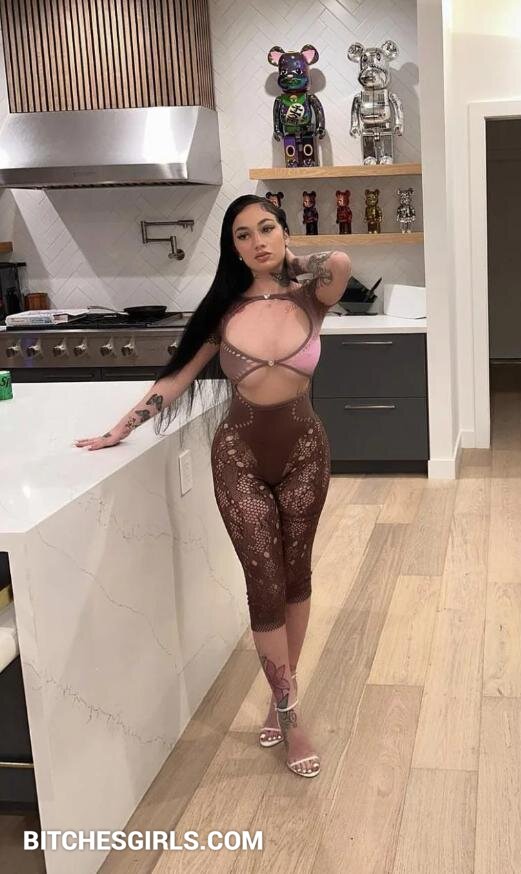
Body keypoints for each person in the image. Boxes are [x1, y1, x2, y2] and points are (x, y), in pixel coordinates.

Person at [75, 194, 352, 778]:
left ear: (283, 232)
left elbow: (341, 263)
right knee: (264, 581)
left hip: (306, 453)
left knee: (296, 575)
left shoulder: (312, 296)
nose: (257, 241)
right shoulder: (222, 311)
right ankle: (290, 715)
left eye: (266, 228)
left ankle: (282, 694)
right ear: (232, 249)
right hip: (238, 458)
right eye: (242, 235)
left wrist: (290, 262)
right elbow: (176, 379)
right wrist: (121, 428)